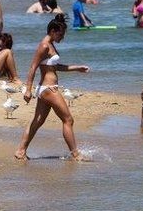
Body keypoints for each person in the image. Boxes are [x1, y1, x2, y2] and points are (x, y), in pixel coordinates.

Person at [15, 14, 90, 161]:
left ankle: (20, 151)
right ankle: (75, 154)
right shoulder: (44, 45)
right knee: (68, 120)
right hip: (49, 89)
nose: (62, 37)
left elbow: (55, 67)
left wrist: (77, 68)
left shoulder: (50, 44)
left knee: (37, 121)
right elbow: (33, 67)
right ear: (53, 31)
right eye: (61, 34)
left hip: (46, 89)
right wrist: (28, 89)